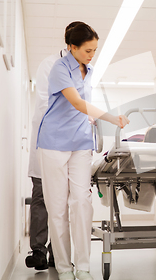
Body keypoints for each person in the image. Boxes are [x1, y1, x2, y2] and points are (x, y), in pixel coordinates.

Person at [37, 23, 130, 280]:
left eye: (95, 50)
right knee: (57, 209)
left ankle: (84, 267)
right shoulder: (59, 69)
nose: (92, 54)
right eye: (88, 50)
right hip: (54, 143)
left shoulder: (88, 70)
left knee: (81, 202)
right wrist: (113, 118)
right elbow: (77, 103)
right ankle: (65, 269)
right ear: (72, 47)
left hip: (80, 142)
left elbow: (84, 105)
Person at [26, 21, 86, 270]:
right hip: (49, 143)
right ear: (71, 46)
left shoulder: (84, 69)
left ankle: (57, 253)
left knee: (65, 201)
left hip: (73, 145)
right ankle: (38, 250)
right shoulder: (49, 65)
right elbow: (45, 104)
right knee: (42, 197)